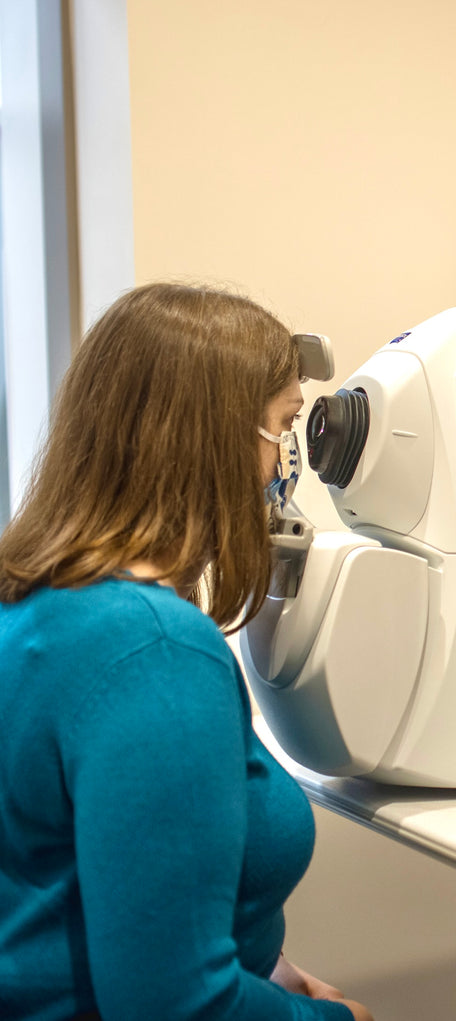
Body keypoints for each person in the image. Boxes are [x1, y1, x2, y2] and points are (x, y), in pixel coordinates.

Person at [0, 284, 373, 1021]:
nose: (283, 466)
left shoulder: (40, 605)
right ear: (213, 438)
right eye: (281, 427)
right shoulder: (155, 651)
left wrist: (268, 966)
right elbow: (175, 1007)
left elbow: (88, 887)